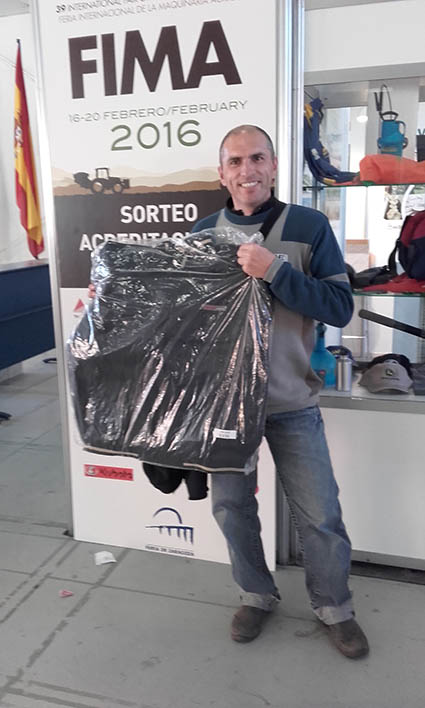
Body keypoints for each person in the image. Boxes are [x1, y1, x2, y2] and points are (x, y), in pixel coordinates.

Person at [191, 124, 369, 659]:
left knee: (320, 514)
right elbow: (185, 324)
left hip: (292, 401)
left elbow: (340, 307)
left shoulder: (309, 227)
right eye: (236, 161)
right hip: (226, 408)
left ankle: (334, 607)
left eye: (257, 158)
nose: (247, 171)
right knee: (231, 508)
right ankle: (256, 595)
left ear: (273, 165)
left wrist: (275, 271)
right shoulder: (202, 235)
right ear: (222, 173)